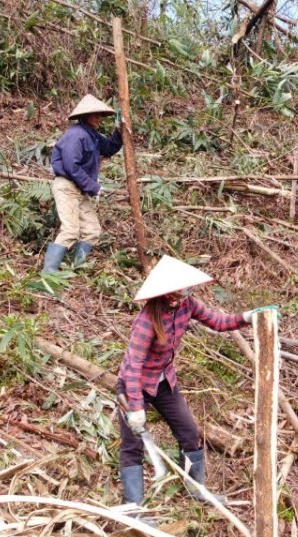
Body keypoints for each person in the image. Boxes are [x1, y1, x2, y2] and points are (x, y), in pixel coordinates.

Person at [115, 255, 264, 512]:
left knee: (189, 431)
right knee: (133, 445)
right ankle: (133, 507)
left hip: (163, 382)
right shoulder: (147, 320)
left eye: (187, 288)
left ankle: (196, 490)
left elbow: (218, 322)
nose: (186, 292)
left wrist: (247, 316)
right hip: (133, 386)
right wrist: (136, 407)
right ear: (168, 292)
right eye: (182, 289)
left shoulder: (188, 305)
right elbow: (133, 366)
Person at [42, 95, 124, 273]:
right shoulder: (76, 134)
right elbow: (71, 166)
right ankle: (48, 275)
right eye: (94, 115)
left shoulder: (92, 135)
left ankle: (75, 269)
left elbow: (109, 147)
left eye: (99, 115)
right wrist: (94, 187)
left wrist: (119, 130)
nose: (98, 118)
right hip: (67, 186)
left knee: (92, 230)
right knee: (71, 230)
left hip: (80, 188)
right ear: (84, 116)